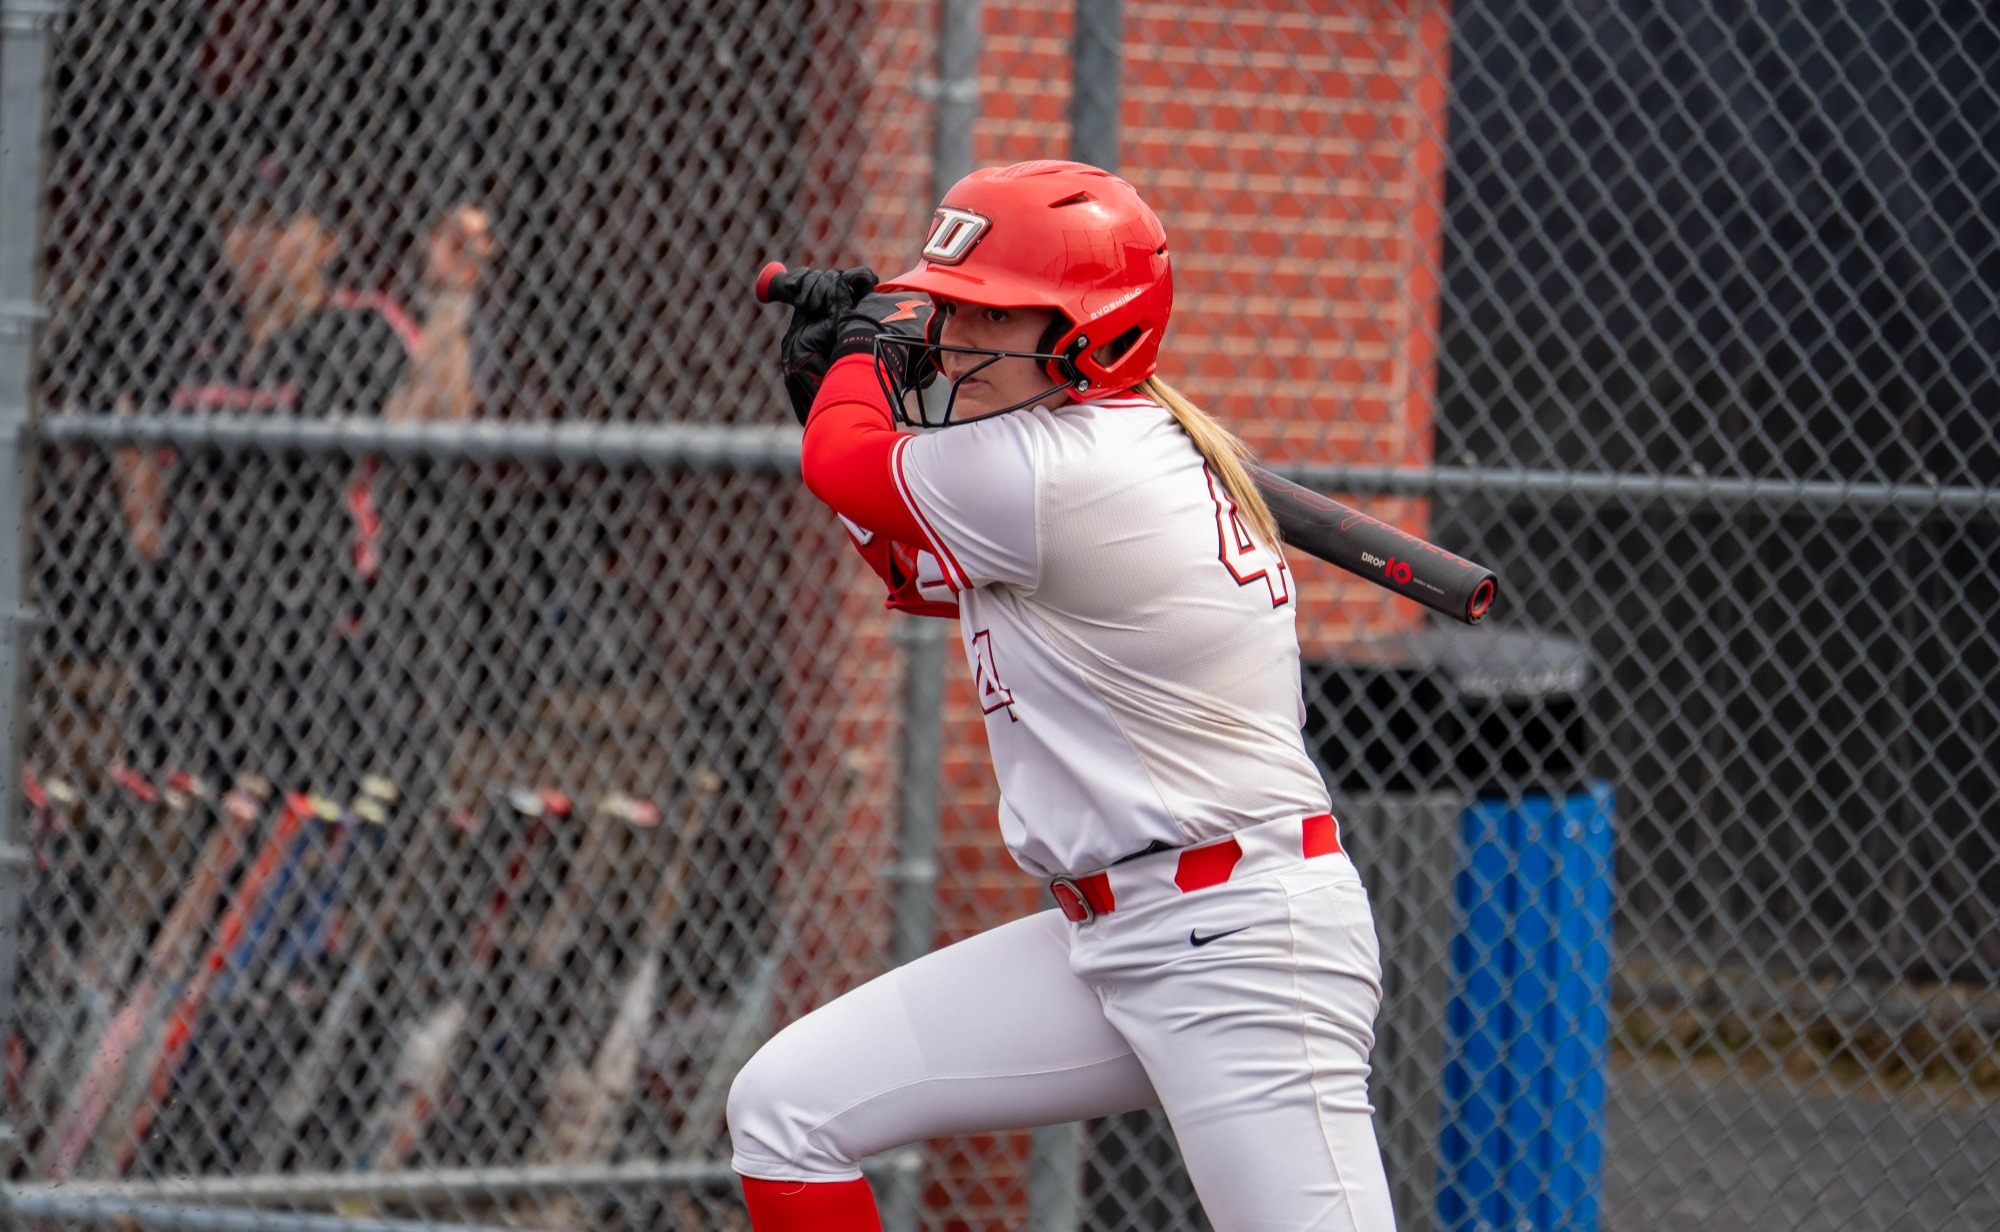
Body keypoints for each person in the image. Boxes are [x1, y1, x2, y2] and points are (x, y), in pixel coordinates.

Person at [727, 160, 1397, 1231]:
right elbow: (911, 571)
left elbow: (846, 464)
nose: (951, 339)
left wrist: (855, 359)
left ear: (1095, 331)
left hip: (1238, 947)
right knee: (787, 1107)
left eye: (989, 314)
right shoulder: (1072, 462)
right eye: (949, 308)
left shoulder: (1068, 465)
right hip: (1116, 932)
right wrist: (832, 387)